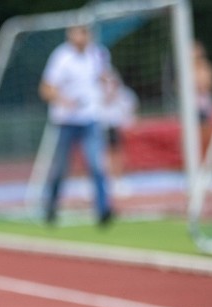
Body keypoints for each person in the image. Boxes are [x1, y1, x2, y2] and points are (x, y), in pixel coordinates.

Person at [39, 24, 114, 226]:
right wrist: (64, 100)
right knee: (61, 168)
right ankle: (51, 207)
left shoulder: (98, 54)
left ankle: (104, 209)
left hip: (90, 118)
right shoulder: (61, 57)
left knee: (97, 165)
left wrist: (108, 88)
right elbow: (46, 89)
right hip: (66, 121)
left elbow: (105, 77)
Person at [100, 68, 138, 195]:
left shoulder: (119, 89)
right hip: (100, 124)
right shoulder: (95, 85)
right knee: (101, 154)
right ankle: (102, 180)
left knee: (116, 152)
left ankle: (117, 179)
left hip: (113, 124)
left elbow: (129, 104)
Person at [193, 40, 212, 125]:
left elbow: (211, 84)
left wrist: (201, 86)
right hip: (192, 101)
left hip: (204, 100)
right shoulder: (187, 69)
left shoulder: (206, 67)